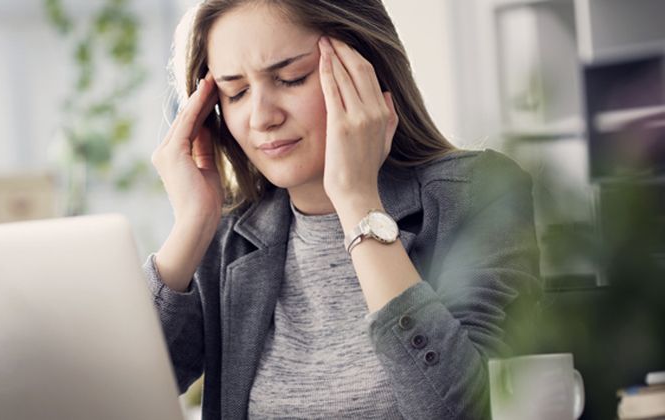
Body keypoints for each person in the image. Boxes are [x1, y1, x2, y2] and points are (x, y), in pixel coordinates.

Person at [144, 0, 541, 418]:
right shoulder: (230, 237)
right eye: (236, 92)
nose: (261, 117)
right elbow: (116, 389)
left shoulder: (477, 194)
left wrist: (357, 200)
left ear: (365, 72)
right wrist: (193, 223)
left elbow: (469, 410)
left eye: (291, 78)